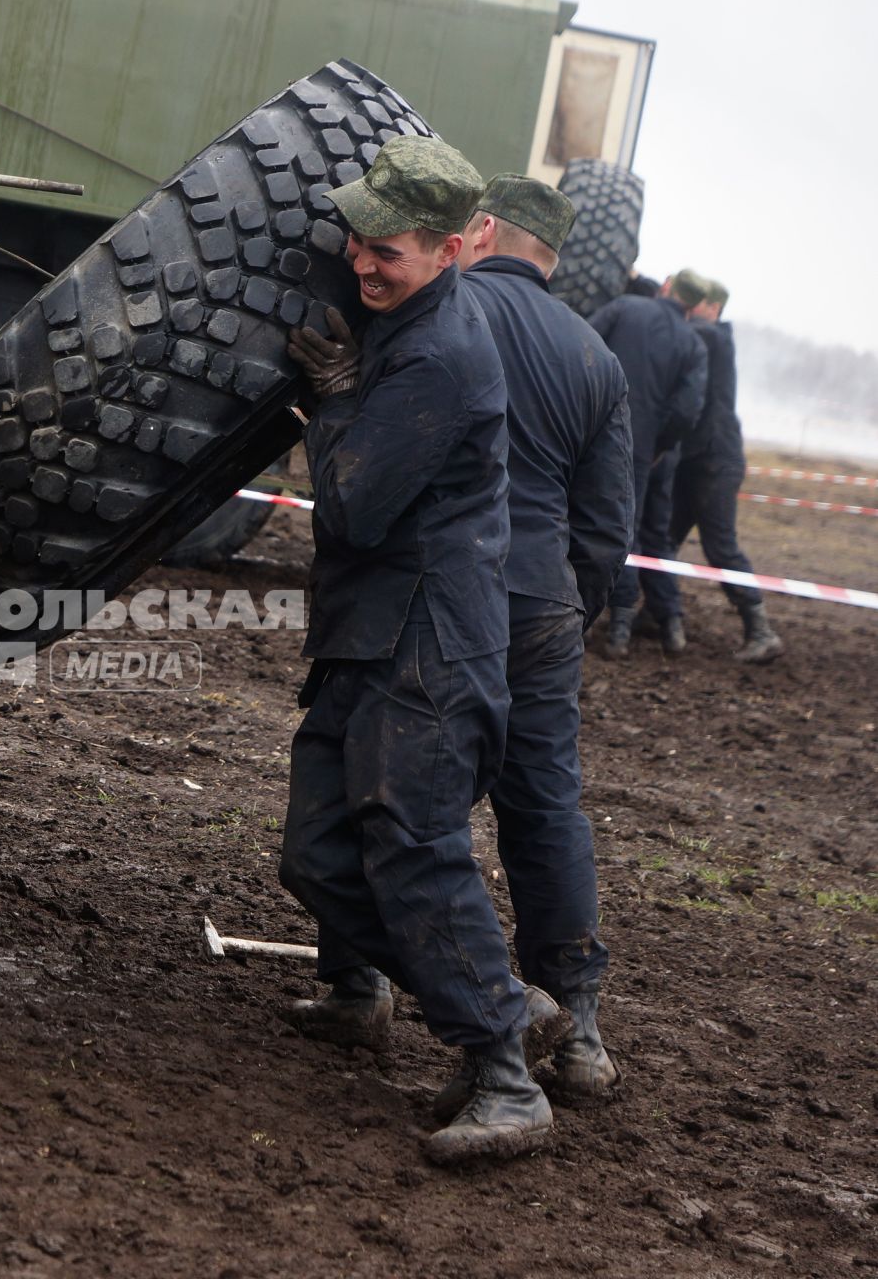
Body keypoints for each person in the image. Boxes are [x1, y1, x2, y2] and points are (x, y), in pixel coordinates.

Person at [277, 135, 549, 1165]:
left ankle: (506, 1075)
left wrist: (337, 400)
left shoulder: (439, 352)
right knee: (313, 850)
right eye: (355, 239)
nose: (359, 262)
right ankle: (499, 1001)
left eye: (383, 250)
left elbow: (347, 508)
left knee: (414, 854)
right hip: (375, 638)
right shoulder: (412, 317)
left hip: (425, 649)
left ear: (448, 248)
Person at [450, 175, 632, 1112]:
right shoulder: (596, 355)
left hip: (448, 590)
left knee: (412, 794)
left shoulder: (443, 306)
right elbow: (607, 527)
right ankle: (585, 1030)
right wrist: (565, 606)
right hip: (546, 604)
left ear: (479, 231)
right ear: (554, 255)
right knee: (547, 805)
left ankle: (360, 982)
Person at [588, 273, 708, 656]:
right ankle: (621, 628)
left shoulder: (624, 308)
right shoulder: (693, 342)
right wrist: (660, 444)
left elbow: (578, 349)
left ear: (668, 285)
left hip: (594, 435)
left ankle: (594, 624)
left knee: (584, 521)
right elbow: (688, 411)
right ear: (694, 304)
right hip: (643, 448)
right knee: (631, 530)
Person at [667, 277, 784, 663]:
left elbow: (683, 329)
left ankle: (760, 629)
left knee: (720, 546)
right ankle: (660, 613)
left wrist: (657, 311)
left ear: (713, 310)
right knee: (663, 538)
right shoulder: (703, 335)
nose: (689, 308)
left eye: (697, 304)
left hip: (716, 462)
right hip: (695, 460)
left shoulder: (716, 337)